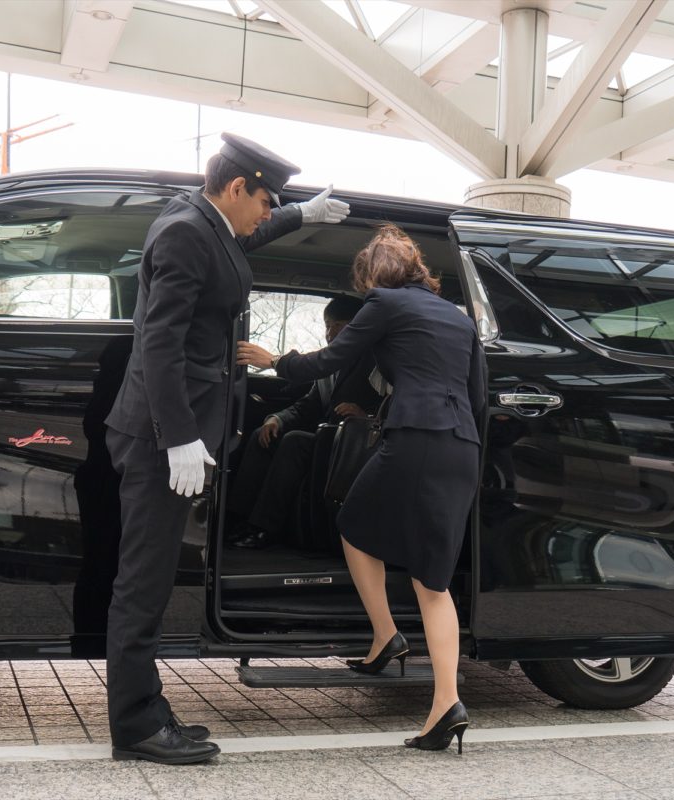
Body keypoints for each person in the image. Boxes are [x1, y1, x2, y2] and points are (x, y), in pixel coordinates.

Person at [103, 133, 350, 765]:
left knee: (152, 578)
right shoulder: (187, 232)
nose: (267, 213)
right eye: (267, 200)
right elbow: (158, 342)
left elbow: (241, 243)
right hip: (163, 437)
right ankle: (134, 726)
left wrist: (302, 214)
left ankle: (146, 709)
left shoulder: (203, 221)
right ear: (237, 187)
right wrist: (179, 435)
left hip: (177, 429)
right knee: (144, 581)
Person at [237, 225, 486, 754]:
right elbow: (478, 396)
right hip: (462, 445)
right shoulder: (459, 319)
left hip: (415, 439)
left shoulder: (385, 303)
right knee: (432, 579)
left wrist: (272, 361)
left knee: (352, 524)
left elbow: (331, 360)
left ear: (376, 274)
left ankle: (385, 635)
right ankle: (447, 701)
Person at [227, 295, 380, 549]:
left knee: (295, 441)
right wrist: (277, 418)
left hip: (352, 446)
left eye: (338, 326)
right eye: (327, 325)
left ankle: (264, 527)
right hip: (325, 440)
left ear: (355, 328)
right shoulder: (328, 363)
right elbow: (308, 406)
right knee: (262, 435)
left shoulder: (375, 360)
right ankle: (237, 518)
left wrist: (366, 414)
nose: (330, 333)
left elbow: (394, 400)